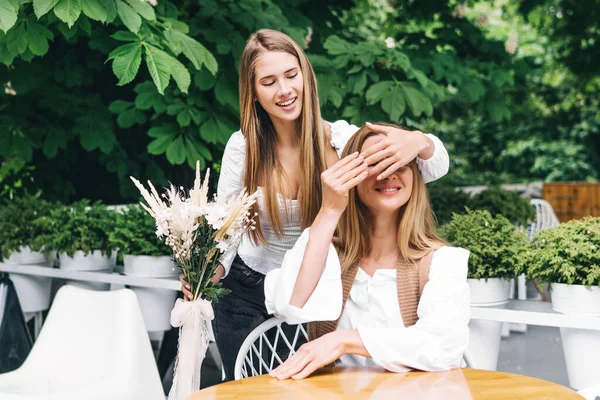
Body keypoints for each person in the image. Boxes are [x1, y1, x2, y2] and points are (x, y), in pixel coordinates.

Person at [180, 29, 451, 380]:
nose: (285, 90)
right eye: (269, 82)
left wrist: (418, 140)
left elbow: (430, 169)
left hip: (315, 292)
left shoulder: (341, 141)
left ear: (306, 76)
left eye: (292, 76)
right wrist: (209, 271)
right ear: (254, 93)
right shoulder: (243, 147)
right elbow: (228, 226)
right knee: (252, 389)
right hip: (246, 293)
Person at [265, 124, 470, 380]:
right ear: (350, 176)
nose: (389, 173)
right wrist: (329, 210)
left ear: (415, 177)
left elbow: (443, 347)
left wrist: (344, 341)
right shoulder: (328, 255)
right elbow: (289, 306)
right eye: (374, 163)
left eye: (399, 162)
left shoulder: (441, 262)